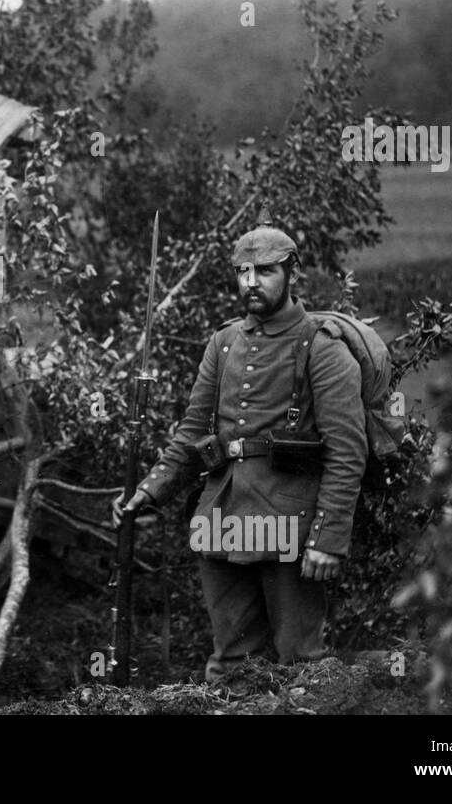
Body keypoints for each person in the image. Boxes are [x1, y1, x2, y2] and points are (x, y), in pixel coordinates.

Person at [113, 219, 367, 683]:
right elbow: (192, 433)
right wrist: (150, 491)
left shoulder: (322, 348)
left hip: (290, 524)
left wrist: (328, 539)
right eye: (243, 271)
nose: (251, 282)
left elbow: (347, 451)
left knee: (300, 663)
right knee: (230, 665)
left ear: (292, 273)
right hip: (225, 518)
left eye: (265, 271)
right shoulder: (224, 342)